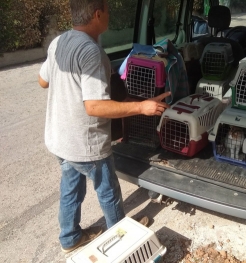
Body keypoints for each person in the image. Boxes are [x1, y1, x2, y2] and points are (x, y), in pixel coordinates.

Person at [38, 0, 171, 254]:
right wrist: (141, 108)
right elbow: (95, 107)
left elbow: (42, 81)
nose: (109, 15)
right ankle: (124, 240)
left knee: (70, 187)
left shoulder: (58, 42)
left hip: (59, 138)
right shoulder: (91, 51)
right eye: (108, 11)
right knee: (109, 191)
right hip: (85, 143)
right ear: (97, 14)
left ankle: (69, 238)